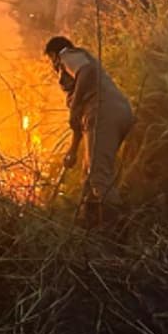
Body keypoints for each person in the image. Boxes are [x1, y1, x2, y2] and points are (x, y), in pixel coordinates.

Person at [45, 36, 135, 228]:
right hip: (110, 114)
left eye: (50, 60)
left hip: (103, 112)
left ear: (53, 55)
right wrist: (73, 150)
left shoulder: (66, 55)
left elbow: (86, 70)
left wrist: (75, 106)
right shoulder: (78, 79)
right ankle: (88, 229)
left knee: (98, 175)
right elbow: (80, 123)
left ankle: (116, 232)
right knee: (88, 177)